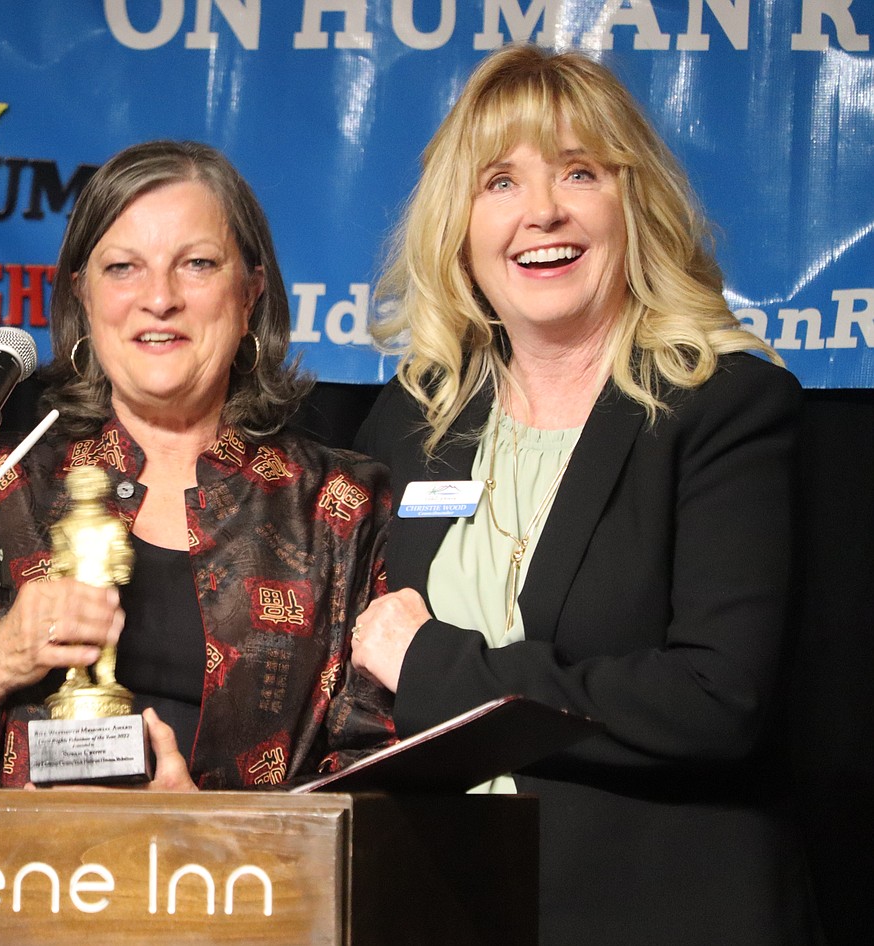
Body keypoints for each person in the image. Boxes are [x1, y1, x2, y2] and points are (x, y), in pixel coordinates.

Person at [350, 46, 818, 944]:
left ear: (632, 203)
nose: (542, 212)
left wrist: (441, 668)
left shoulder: (722, 407)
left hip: (658, 913)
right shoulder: (415, 420)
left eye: (578, 172)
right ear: (460, 225)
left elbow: (717, 698)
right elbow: (356, 663)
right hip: (436, 902)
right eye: (499, 182)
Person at [0, 140, 394, 791]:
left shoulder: (340, 505)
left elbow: (379, 775)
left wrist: (222, 833)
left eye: (197, 264)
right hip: (17, 882)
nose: (159, 298)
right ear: (83, 300)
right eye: (124, 267)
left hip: (239, 886)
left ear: (251, 295)